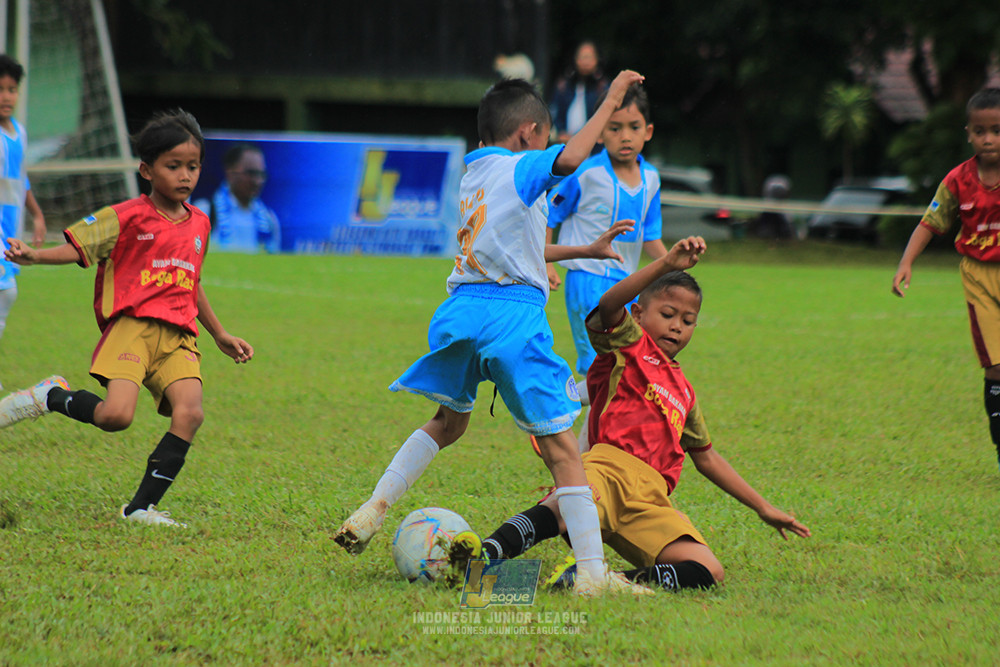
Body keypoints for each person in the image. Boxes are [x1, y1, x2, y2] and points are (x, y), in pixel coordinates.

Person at [334, 71, 651, 597]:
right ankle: (594, 576)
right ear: (528, 133)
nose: (549, 149)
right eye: (546, 137)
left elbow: (520, 246)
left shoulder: (475, 175)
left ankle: (375, 505)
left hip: (461, 311)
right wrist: (611, 99)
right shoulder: (523, 164)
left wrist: (585, 250)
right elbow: (569, 160)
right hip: (512, 316)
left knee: (448, 422)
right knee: (564, 450)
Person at [476, 237, 812, 593]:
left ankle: (606, 582)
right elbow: (608, 304)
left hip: (651, 499)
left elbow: (708, 458)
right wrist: (666, 264)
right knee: (564, 506)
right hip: (608, 468)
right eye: (667, 314)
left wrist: (763, 507)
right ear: (637, 314)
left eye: (688, 320)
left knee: (707, 570)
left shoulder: (684, 391)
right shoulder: (628, 343)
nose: (677, 326)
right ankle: (482, 558)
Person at [0, 109, 254, 527]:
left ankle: (140, 507)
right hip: (132, 331)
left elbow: (191, 281)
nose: (185, 176)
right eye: (173, 166)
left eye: (192, 167)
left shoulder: (201, 223)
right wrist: (34, 255)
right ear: (146, 170)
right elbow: (77, 246)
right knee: (115, 417)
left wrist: (221, 334)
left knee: (190, 413)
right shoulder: (126, 217)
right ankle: (51, 396)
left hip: (179, 337)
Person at [544, 83, 667, 453]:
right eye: (614, 128)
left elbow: (651, 238)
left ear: (648, 131)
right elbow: (551, 213)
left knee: (617, 371)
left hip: (625, 288)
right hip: (587, 281)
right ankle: (577, 453)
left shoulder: (652, 180)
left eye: (633, 127)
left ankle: (556, 412)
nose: (624, 137)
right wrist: (547, 261)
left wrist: (676, 268)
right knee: (609, 370)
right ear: (601, 133)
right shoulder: (586, 173)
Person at [892, 87, 1000, 471]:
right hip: (978, 277)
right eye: (980, 130)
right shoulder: (958, 180)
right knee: (995, 367)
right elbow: (930, 222)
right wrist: (906, 263)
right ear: (968, 133)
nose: (988, 138)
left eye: (997, 130)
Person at [0, 54, 47, 391]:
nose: (6, 96)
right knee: (6, 292)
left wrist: (37, 213)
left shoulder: (20, 133)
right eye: (0, 89)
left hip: (9, 230)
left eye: (12, 89)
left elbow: (20, 178)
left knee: (5, 295)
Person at [201, 143, 281, 253]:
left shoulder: (268, 219)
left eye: (261, 174)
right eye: (251, 173)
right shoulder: (205, 212)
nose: (257, 181)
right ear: (230, 173)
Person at [549, 41, 610, 145]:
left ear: (596, 60)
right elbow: (554, 113)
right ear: (576, 59)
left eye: (589, 57)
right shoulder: (563, 88)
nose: (586, 62)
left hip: (594, 147)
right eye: (583, 57)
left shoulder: (602, 89)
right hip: (564, 144)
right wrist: (561, 133)